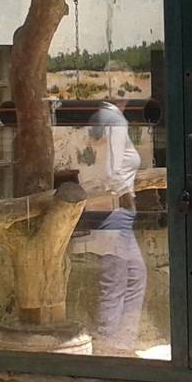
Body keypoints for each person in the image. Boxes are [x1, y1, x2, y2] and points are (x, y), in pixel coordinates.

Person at [77, 101, 148, 354]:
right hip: (115, 208)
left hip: (103, 208)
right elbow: (111, 170)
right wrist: (125, 196)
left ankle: (120, 341)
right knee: (118, 277)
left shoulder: (98, 118)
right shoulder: (115, 120)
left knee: (132, 275)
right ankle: (109, 343)